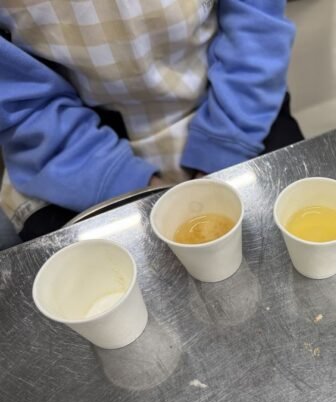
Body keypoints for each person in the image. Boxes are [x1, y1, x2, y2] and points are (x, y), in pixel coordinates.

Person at [0, 0, 303, 241]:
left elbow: (257, 27)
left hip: (232, 102)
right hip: (71, 151)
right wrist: (131, 185)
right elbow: (21, 103)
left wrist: (226, 138)